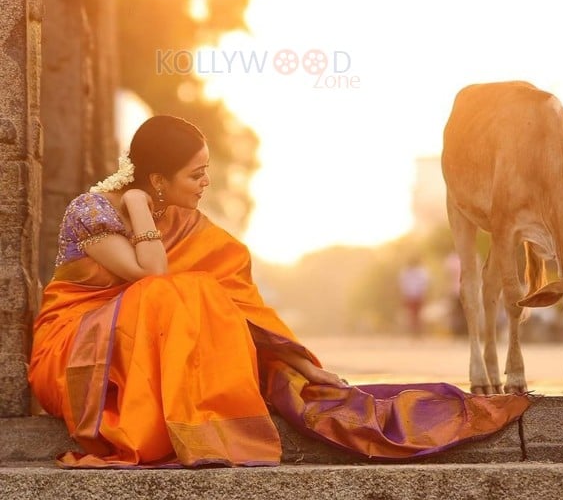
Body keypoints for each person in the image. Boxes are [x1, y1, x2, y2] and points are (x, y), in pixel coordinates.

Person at [29, 115, 530, 468]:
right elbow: (153, 281)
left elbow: (233, 297)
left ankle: (209, 412)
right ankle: (181, 423)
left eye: (207, 169)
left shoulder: (177, 215)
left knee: (205, 281)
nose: (206, 181)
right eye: (195, 173)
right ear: (157, 179)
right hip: (75, 355)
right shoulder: (92, 211)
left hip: (134, 340)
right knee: (178, 293)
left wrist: (302, 364)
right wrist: (138, 207)